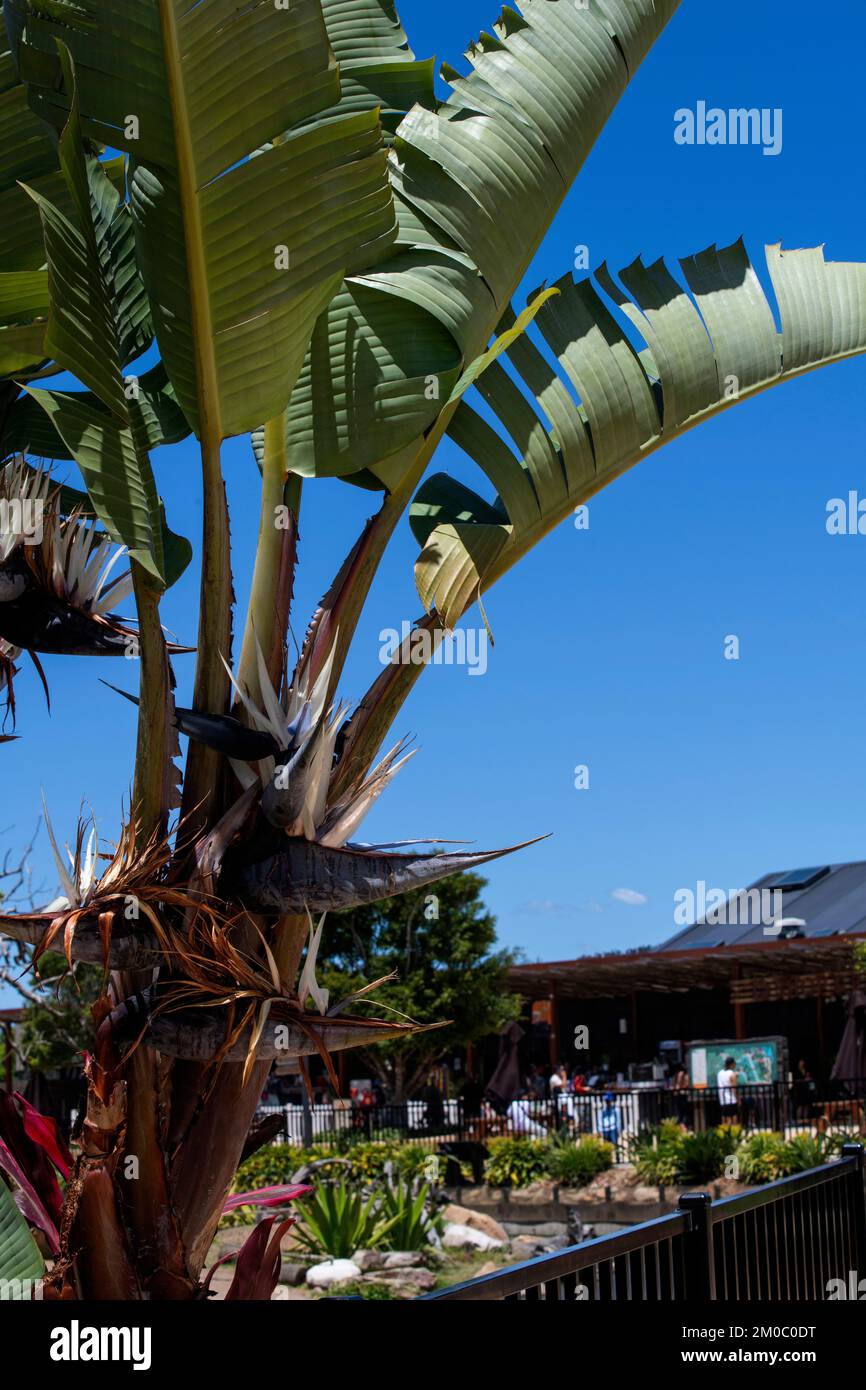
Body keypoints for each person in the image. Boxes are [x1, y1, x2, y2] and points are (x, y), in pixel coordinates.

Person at [717, 1056, 739, 1123]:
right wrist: (738, 1099)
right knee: (733, 1116)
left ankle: (724, 1131)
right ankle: (733, 1131)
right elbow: (734, 1088)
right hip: (731, 1100)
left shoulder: (719, 1073)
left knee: (724, 1117)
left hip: (723, 1100)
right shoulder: (732, 1074)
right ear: (732, 1064)